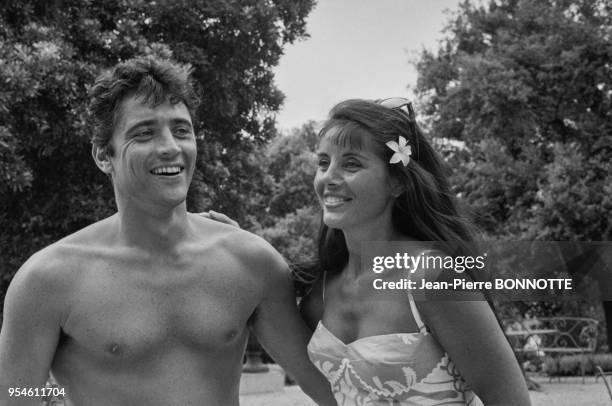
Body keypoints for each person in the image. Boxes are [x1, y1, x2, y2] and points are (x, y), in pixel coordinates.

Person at [0, 56, 335, 406]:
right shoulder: (47, 280)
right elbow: (15, 395)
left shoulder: (251, 262)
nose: (170, 148)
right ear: (103, 155)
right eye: (144, 133)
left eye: (181, 130)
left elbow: (328, 388)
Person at [299, 98, 532, 405]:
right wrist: (231, 235)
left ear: (397, 182)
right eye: (324, 163)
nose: (329, 178)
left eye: (351, 163)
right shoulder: (320, 290)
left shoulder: (433, 276)